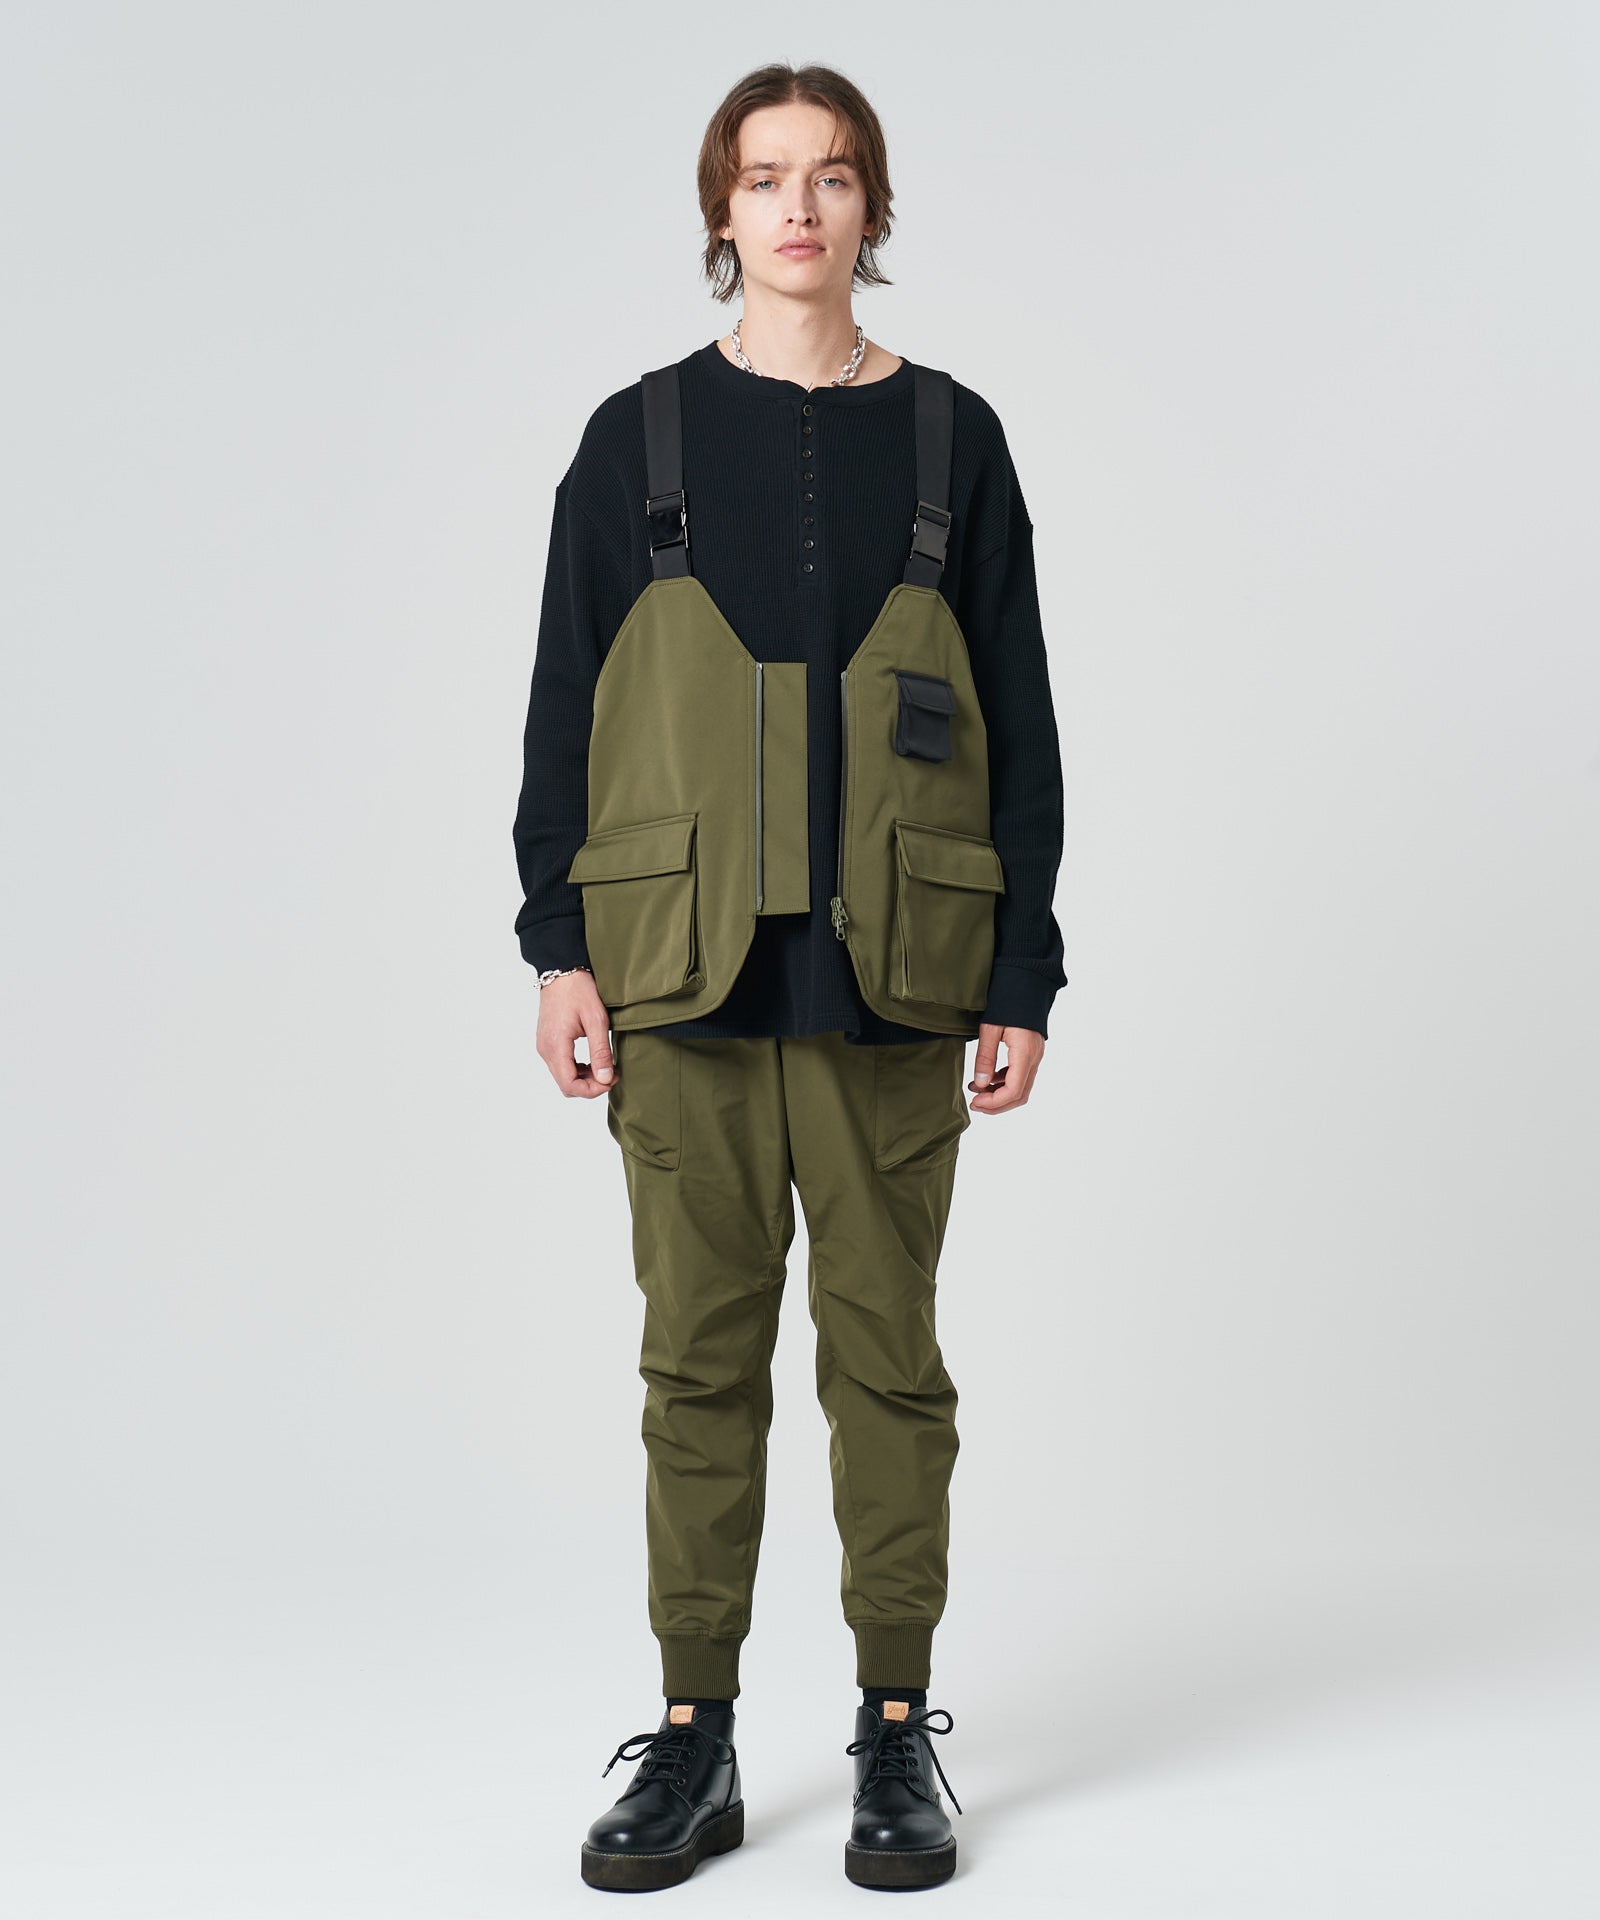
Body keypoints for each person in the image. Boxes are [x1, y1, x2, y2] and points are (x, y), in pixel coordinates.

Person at [511, 60, 1066, 1893]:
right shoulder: (637, 441)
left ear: (871, 209)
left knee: (889, 1367)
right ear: (722, 212)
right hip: (681, 985)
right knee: (696, 1370)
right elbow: (566, 707)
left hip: (896, 986)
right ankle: (697, 1736)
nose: (800, 207)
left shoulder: (955, 440)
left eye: (831, 176)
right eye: (765, 178)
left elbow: (1020, 721)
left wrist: (1022, 972)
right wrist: (557, 945)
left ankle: (897, 1728)